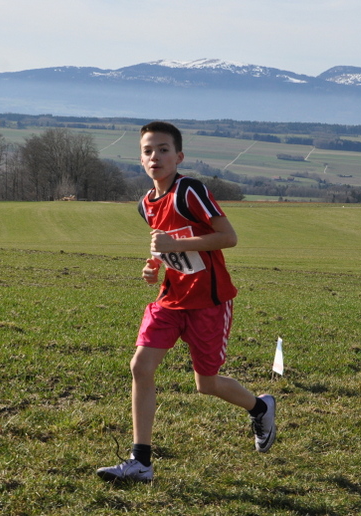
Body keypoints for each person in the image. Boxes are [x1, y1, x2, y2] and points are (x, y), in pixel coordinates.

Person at [96, 121, 276, 484]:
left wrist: (173, 246)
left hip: (208, 302)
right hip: (170, 299)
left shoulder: (190, 191)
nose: (155, 157)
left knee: (206, 384)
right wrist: (152, 267)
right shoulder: (146, 204)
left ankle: (260, 407)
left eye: (163, 150)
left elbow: (228, 237)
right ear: (140, 159)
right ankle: (140, 461)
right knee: (140, 366)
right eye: (148, 151)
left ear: (179, 156)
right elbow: (163, 245)